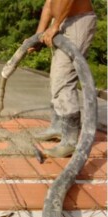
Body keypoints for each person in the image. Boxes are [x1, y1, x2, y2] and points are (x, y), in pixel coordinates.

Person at [30, 0, 97, 158]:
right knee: (56, 77)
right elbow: (49, 3)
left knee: (63, 80)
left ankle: (69, 141)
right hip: (64, 20)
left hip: (77, 21)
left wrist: (55, 25)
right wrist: (38, 35)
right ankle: (58, 127)